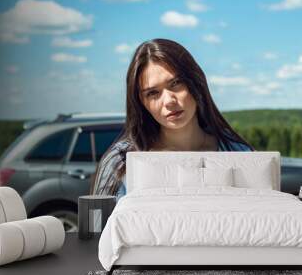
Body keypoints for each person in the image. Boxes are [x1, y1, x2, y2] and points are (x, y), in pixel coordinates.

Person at [91, 38, 254, 202]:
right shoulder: (121, 162)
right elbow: (97, 227)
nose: (169, 101)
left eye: (176, 83)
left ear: (196, 83)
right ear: (142, 103)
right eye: (153, 93)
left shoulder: (239, 153)